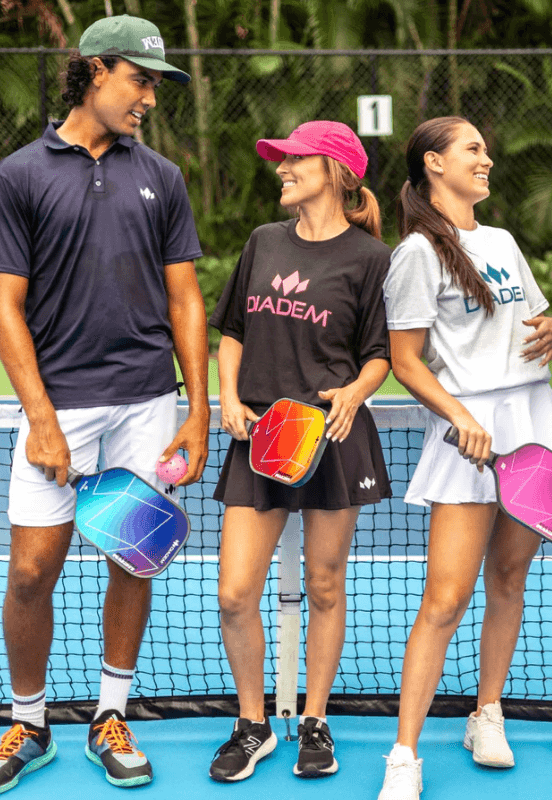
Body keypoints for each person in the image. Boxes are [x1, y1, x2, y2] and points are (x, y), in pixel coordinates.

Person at [0, 14, 209, 792]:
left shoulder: (162, 174)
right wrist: (44, 420)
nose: (149, 97)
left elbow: (184, 297)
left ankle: (109, 715)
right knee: (29, 574)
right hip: (62, 410)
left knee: (133, 560)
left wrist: (197, 408)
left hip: (149, 405)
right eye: (140, 79)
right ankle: (27, 723)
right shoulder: (19, 174)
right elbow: (4, 307)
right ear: (95, 70)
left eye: (156, 84)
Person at [377, 116, 552, 800]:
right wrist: (459, 415)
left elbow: (533, 324)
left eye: (486, 149)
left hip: (532, 419)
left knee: (510, 578)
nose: (486, 159)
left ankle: (485, 713)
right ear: (434, 163)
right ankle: (404, 755)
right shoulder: (415, 254)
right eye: (472, 149)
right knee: (445, 596)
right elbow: (406, 361)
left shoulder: (500, 241)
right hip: (467, 429)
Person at [207, 120, 392, 783]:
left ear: (337, 172)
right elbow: (231, 330)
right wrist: (226, 395)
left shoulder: (373, 258)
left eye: (295, 159)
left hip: (330, 438)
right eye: (279, 158)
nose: (281, 168)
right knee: (233, 594)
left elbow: (380, 354)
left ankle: (314, 720)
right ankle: (252, 724)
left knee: (323, 586)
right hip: (257, 439)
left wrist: (355, 392)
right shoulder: (263, 242)